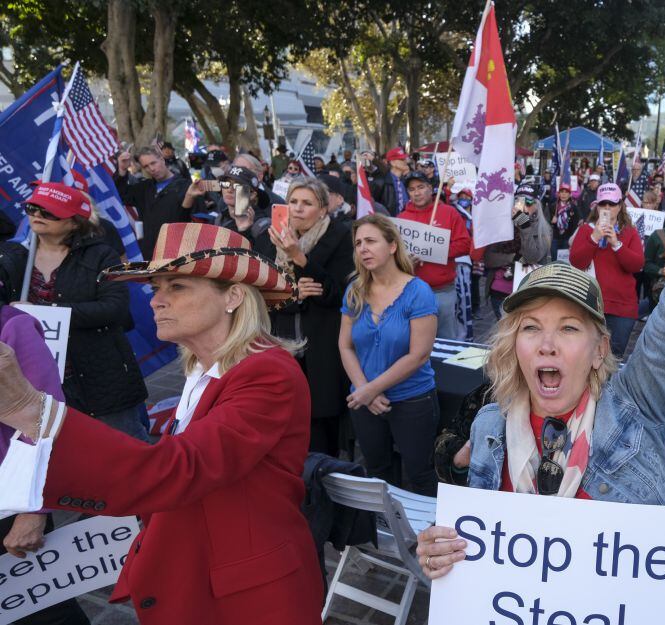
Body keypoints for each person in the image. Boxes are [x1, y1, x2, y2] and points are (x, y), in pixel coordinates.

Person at [415, 15, 665, 615]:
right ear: (512, 349)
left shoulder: (635, 407)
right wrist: (440, 557)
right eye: (530, 328)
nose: (548, 345)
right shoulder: (487, 432)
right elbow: (472, 562)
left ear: (601, 348)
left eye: (569, 328)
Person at [0, 222, 324, 624]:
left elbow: (179, 469)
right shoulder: (203, 369)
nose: (156, 301)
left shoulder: (268, 373)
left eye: (177, 287)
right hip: (199, 577)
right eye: (156, 288)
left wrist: (33, 411)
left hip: (249, 599)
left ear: (234, 297)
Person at [8, 181, 149, 440]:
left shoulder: (100, 256)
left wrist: (44, 312)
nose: (37, 215)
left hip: (100, 376)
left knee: (126, 449)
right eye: (32, 208)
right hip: (40, 379)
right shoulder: (14, 257)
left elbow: (114, 308)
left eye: (48, 211)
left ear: (74, 222)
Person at [0, 304, 91, 625]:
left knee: (41, 611)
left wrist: (34, 512)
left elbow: (47, 423)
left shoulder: (13, 327)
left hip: (10, 504)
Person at [338, 214, 439, 495]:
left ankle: (426, 535)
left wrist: (370, 390)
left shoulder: (418, 292)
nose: (363, 249)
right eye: (358, 243)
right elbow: (345, 346)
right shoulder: (354, 290)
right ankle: (387, 533)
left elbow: (419, 355)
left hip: (412, 399)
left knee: (420, 474)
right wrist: (363, 389)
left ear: (393, 246)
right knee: (379, 473)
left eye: (370, 241)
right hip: (365, 400)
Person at [253, 177, 353, 454]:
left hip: (321, 346)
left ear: (322, 210)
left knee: (320, 429)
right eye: (293, 201)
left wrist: (299, 257)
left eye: (306, 203)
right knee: (284, 419)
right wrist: (294, 297)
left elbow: (335, 293)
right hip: (279, 342)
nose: (297, 209)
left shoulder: (341, 236)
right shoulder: (266, 238)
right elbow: (259, 294)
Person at [569, 182, 645, 358]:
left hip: (621, 308)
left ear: (620, 207)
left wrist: (616, 244)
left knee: (613, 358)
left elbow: (636, 265)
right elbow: (577, 262)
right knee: (586, 356)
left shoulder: (630, 232)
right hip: (589, 304)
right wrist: (594, 237)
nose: (607, 208)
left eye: (612, 204)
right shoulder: (586, 230)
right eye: (603, 204)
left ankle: (609, 387)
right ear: (596, 206)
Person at [396, 172, 473, 339]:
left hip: (443, 291)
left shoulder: (449, 213)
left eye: (421, 187)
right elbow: (394, 254)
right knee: (415, 341)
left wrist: (434, 251)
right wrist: (405, 261)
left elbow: (465, 245)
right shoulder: (402, 219)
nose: (416, 193)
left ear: (431, 188)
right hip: (412, 292)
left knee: (445, 340)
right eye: (411, 189)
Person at [483, 183, 552, 319]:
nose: (524, 206)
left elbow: (533, 257)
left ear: (537, 205)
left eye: (529, 202)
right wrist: (513, 258)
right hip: (500, 289)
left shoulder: (544, 230)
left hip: (526, 291)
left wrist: (525, 227)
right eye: (519, 201)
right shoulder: (502, 224)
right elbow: (489, 258)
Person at [115, 146, 192, 257]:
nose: (151, 169)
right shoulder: (144, 188)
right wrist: (122, 170)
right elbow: (121, 195)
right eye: (146, 166)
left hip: (177, 253)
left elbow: (197, 220)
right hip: (149, 254)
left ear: (162, 159)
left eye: (153, 163)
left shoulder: (186, 187)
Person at [548, 182, 580, 259]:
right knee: (554, 259)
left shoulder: (573, 208)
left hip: (567, 239)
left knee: (564, 261)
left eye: (566, 192)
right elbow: (547, 221)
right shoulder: (553, 206)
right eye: (562, 192)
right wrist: (551, 221)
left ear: (569, 194)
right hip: (556, 238)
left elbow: (575, 224)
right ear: (558, 194)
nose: (563, 194)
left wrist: (571, 240)